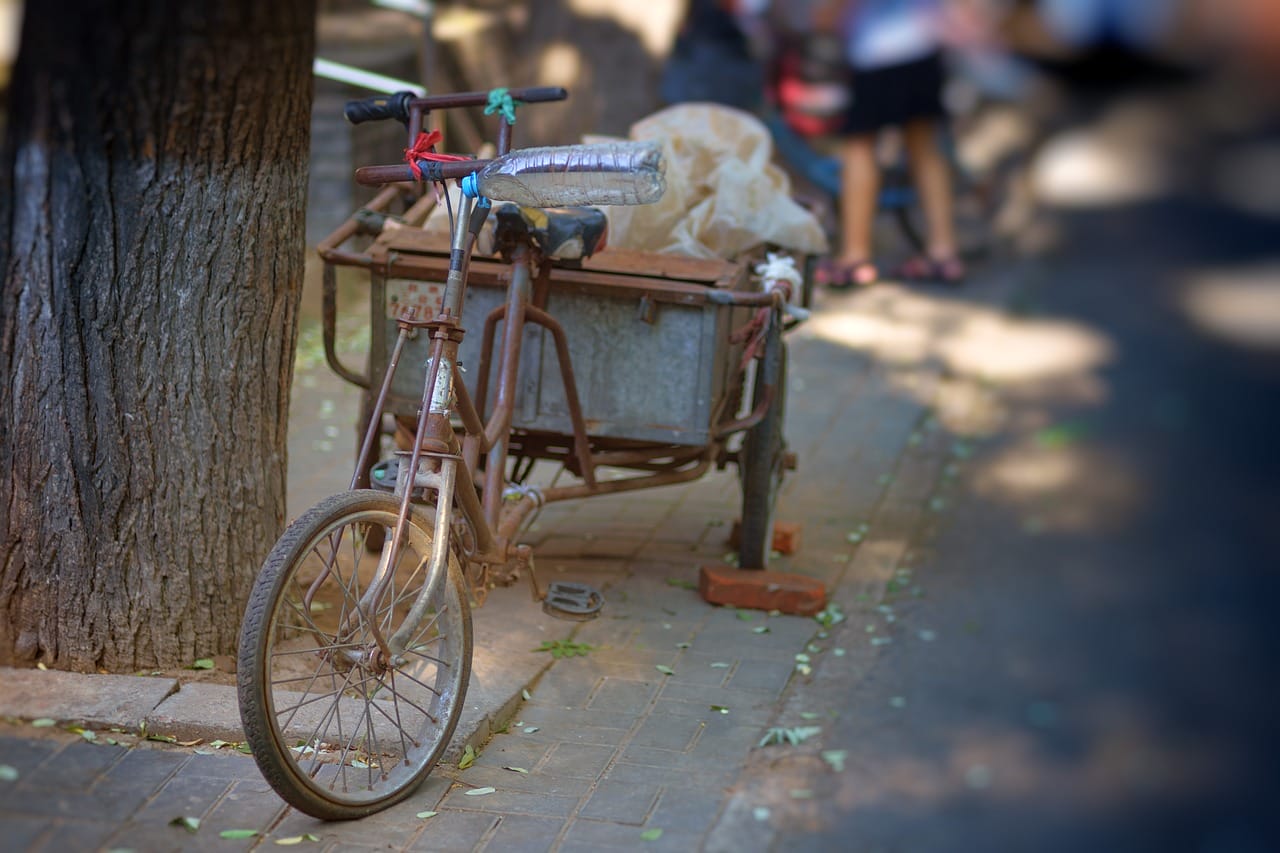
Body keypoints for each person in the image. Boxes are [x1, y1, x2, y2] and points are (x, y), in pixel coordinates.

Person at [795, 0, 968, 287]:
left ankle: (855, 257)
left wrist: (823, 20)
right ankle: (943, 253)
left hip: (875, 52)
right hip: (923, 43)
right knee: (925, 146)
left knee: (859, 147)